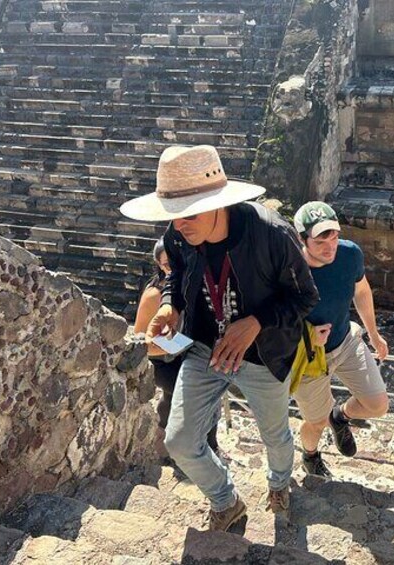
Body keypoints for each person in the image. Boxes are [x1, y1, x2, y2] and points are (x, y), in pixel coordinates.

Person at [120, 145, 319, 532]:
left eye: (189, 213)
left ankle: (279, 484)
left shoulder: (272, 234)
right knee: (178, 441)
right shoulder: (179, 231)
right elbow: (176, 273)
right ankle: (226, 501)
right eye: (173, 215)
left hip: (262, 355)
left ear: (218, 205)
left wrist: (256, 322)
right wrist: (170, 304)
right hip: (204, 347)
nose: (178, 225)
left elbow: (305, 296)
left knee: (275, 435)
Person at [291, 201, 390, 478]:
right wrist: (308, 335)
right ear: (302, 239)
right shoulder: (289, 270)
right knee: (315, 421)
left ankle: (341, 416)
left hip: (345, 341)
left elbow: (361, 290)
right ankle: (310, 456)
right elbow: (271, 321)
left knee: (378, 405)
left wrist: (373, 333)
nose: (330, 245)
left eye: (333, 235)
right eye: (321, 239)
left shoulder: (349, 254)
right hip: (308, 355)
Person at [132, 239, 220, 458]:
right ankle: (198, 451)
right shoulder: (154, 295)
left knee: (180, 400)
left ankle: (174, 449)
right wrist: (177, 344)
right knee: (195, 399)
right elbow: (140, 340)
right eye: (166, 264)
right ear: (159, 265)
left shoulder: (192, 284)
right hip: (165, 362)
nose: (173, 268)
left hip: (187, 354)